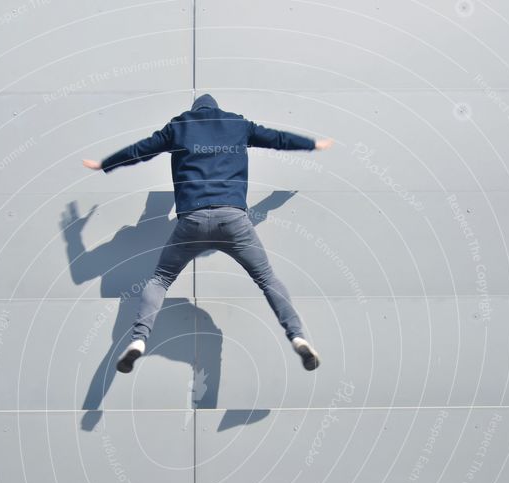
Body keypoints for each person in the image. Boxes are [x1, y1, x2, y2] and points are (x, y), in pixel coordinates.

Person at [82, 93, 333, 373]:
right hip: (234, 219)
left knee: (161, 279)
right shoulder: (238, 125)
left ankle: (139, 340)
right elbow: (278, 139)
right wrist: (312, 145)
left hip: (192, 220)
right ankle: (297, 335)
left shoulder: (178, 127)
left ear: (193, 110)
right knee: (266, 278)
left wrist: (105, 163)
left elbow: (141, 150)